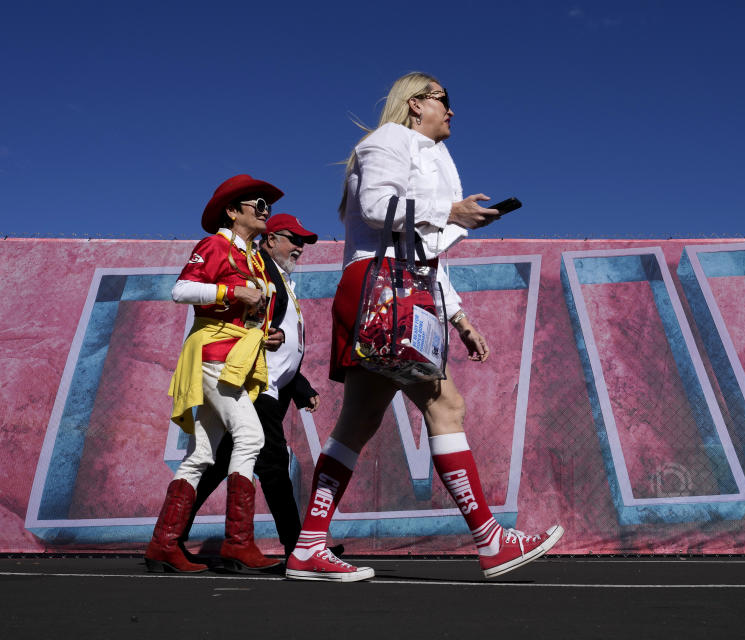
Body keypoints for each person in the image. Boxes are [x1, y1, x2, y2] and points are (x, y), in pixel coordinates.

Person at [285, 72, 563, 582]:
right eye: (444, 101)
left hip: (398, 287)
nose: (452, 111)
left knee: (358, 423)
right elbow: (375, 207)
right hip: (383, 288)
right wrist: (448, 210)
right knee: (445, 404)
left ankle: (307, 546)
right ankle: (489, 539)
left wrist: (456, 316)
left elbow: (425, 253)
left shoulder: (418, 151)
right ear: (416, 104)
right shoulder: (388, 140)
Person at [144, 174, 284, 573]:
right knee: (252, 437)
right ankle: (238, 544)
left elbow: (249, 308)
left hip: (234, 355)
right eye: (256, 203)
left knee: (202, 455)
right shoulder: (216, 245)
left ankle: (163, 544)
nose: (264, 210)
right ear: (232, 210)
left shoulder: (252, 257)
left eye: (266, 205)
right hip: (213, 355)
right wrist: (230, 292)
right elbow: (181, 290)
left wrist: (264, 334)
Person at [178, 213, 330, 560]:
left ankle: (171, 536)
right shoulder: (255, 266)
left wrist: (301, 385)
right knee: (273, 464)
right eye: (294, 239)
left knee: (217, 461)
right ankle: (298, 547)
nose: (300, 248)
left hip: (272, 384)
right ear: (271, 239)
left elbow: (278, 336)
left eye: (303, 242)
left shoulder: (278, 275)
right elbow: (247, 321)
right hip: (256, 386)